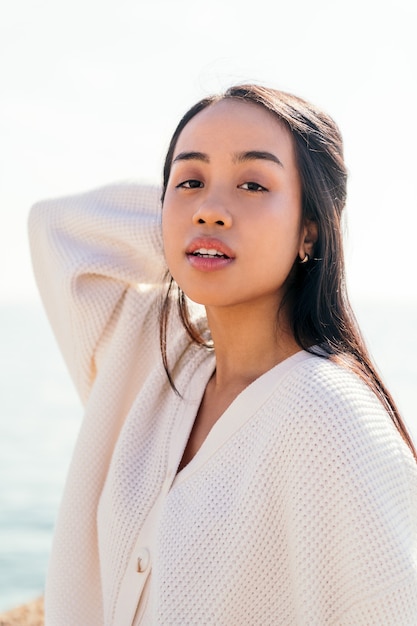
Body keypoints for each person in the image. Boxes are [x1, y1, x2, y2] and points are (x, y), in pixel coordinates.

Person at [29, 84, 417, 625]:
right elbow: (58, 229)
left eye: (254, 184)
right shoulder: (156, 360)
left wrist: (200, 217)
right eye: (189, 180)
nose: (211, 209)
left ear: (312, 227)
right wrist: (184, 225)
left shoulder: (334, 421)